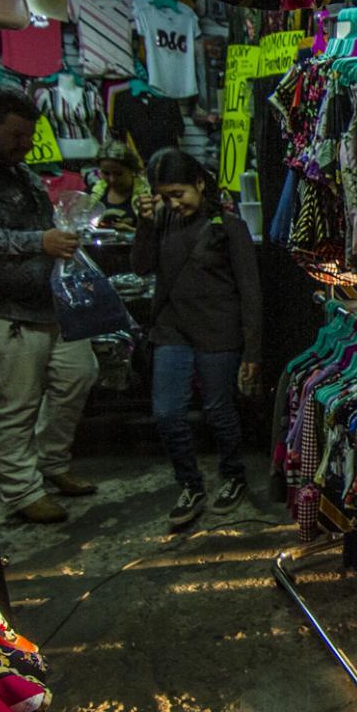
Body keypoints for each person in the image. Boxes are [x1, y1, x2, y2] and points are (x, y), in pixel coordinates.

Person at [0, 84, 100, 525]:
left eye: (29, 137)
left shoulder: (23, 173)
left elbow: (47, 227)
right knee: (16, 403)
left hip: (49, 303)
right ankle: (23, 490)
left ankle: (52, 463)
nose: (25, 146)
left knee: (78, 376)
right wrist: (40, 242)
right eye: (16, 136)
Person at [133, 149, 262, 530]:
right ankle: (189, 484)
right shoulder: (163, 222)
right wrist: (144, 224)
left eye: (178, 193)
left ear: (199, 184)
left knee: (218, 410)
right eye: (165, 196)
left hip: (218, 331)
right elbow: (141, 266)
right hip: (172, 328)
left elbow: (250, 292)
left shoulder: (228, 226)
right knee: (167, 412)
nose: (173, 203)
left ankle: (234, 474)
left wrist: (252, 349)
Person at [90, 141, 148, 232]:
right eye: (106, 173)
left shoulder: (148, 194)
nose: (112, 179)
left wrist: (132, 231)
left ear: (131, 170)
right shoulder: (92, 192)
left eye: (118, 174)